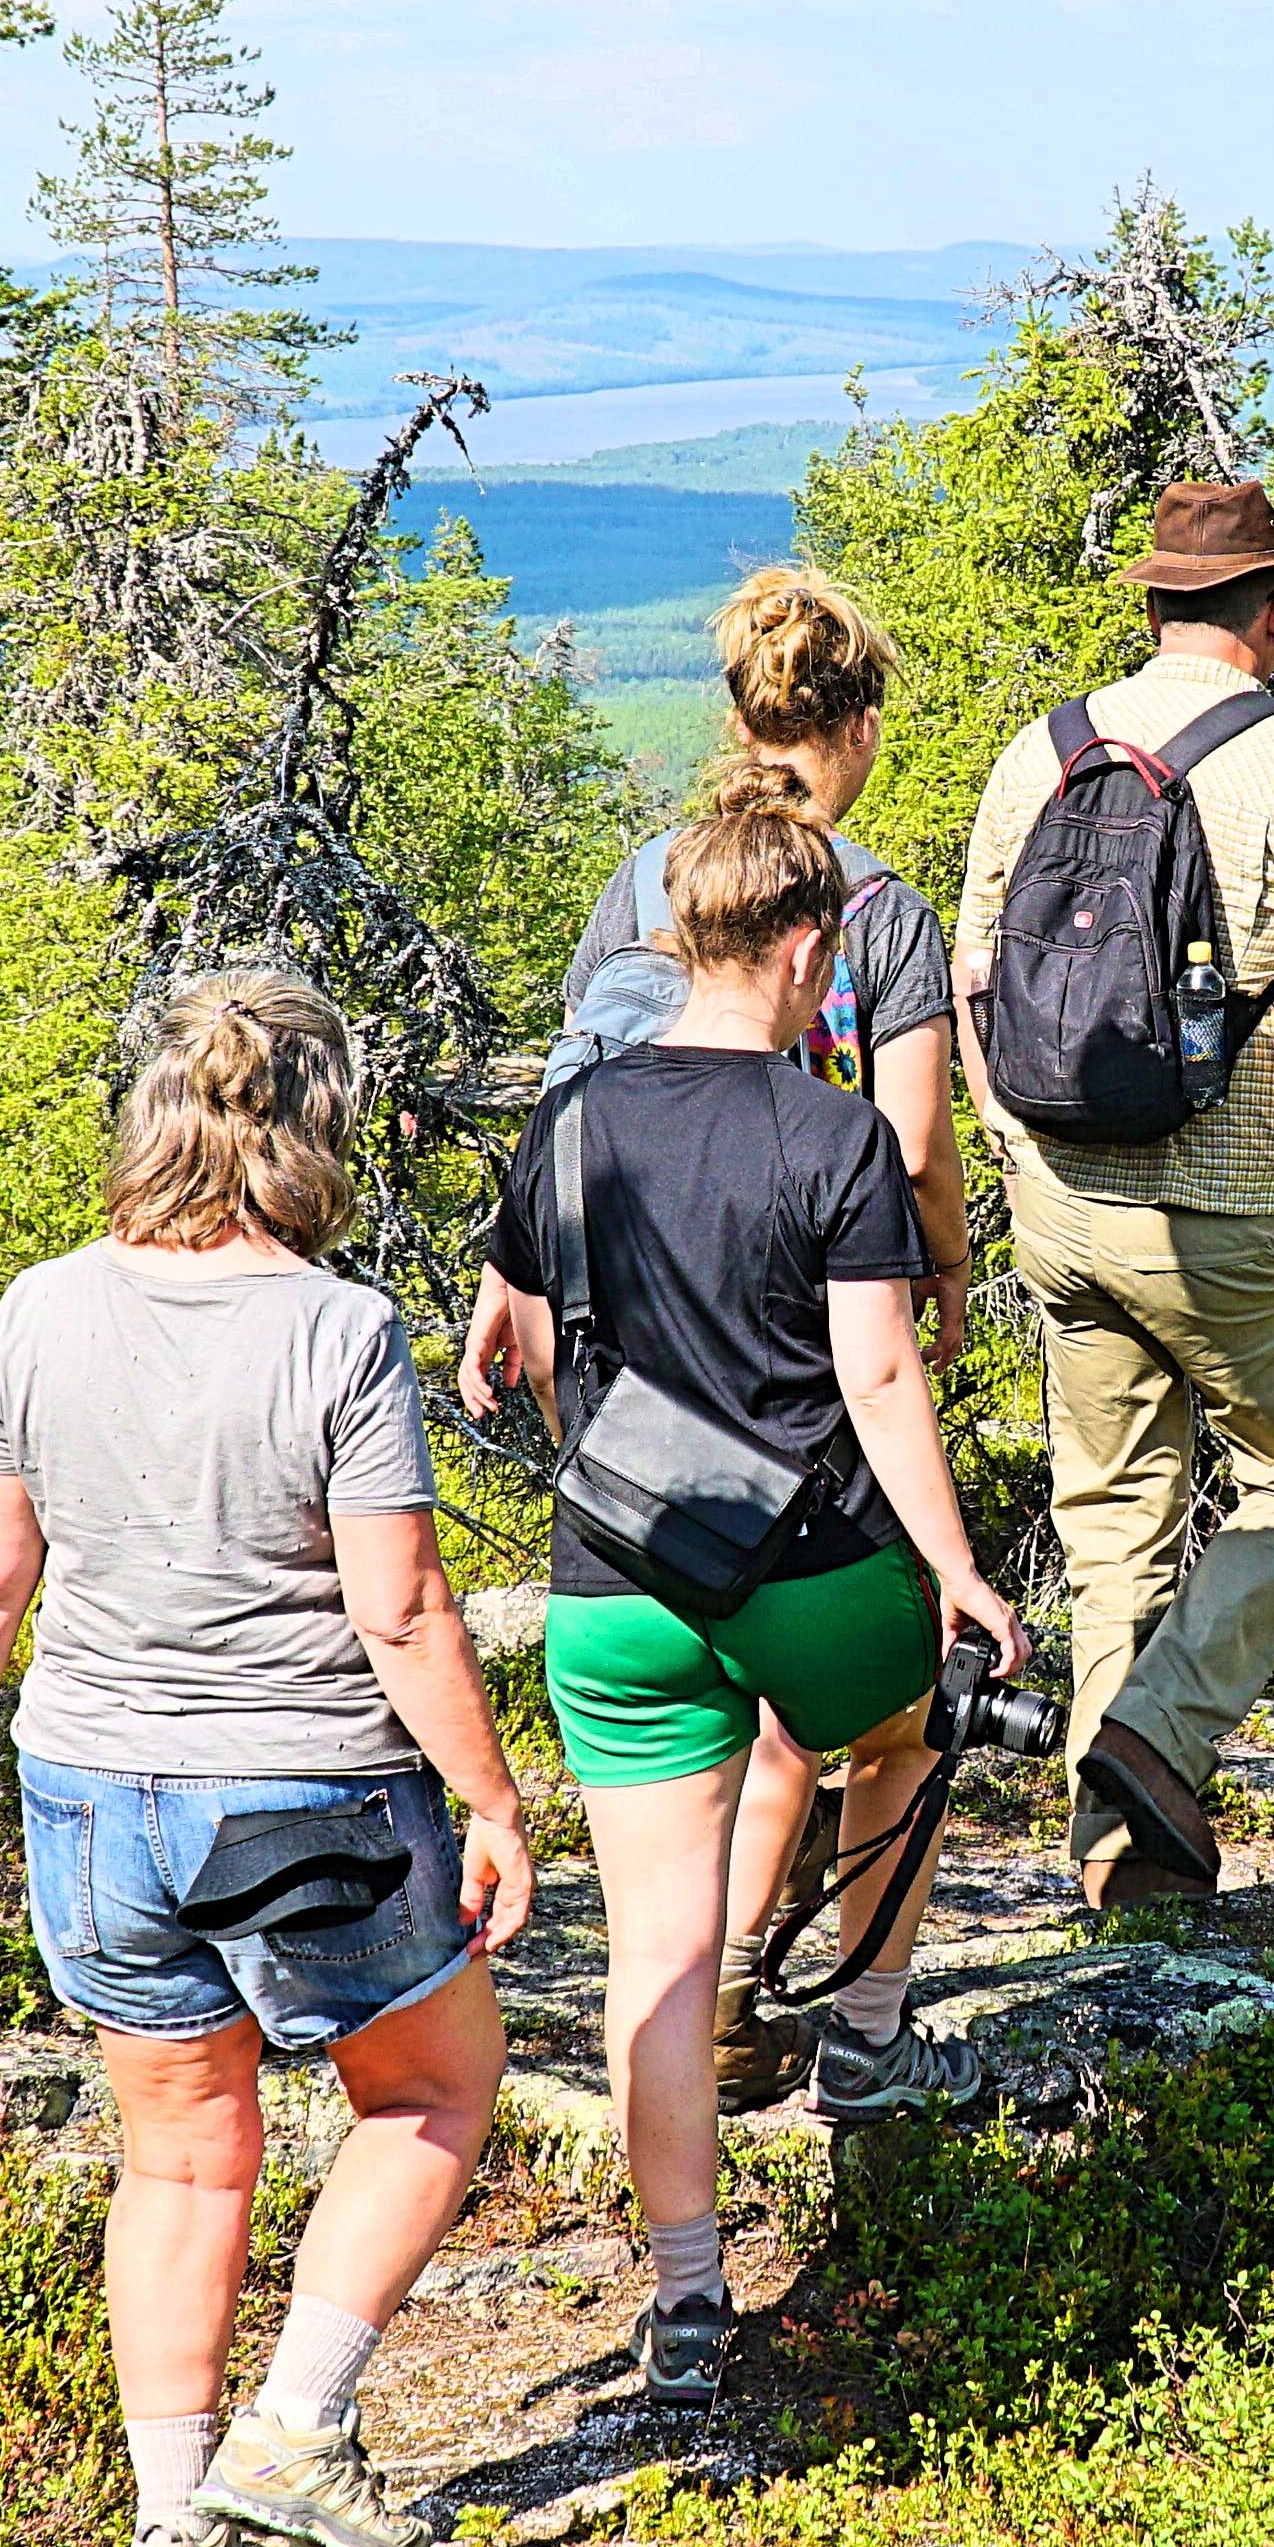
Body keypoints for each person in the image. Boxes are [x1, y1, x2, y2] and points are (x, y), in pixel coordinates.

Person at [0, 972, 538, 2547]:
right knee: (435, 2091)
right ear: (310, 1131)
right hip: (304, 1791)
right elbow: (398, 1609)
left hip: (95, 1792)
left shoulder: (39, 1311)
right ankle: (298, 2429)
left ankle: (171, 2540)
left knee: (180, 2162)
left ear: (153, 1120)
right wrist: (488, 1796)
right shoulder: (334, 1329)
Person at [465, 765, 1030, 2395]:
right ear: (801, 945)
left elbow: (506, 1324)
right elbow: (881, 1381)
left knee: (659, 1959)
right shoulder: (838, 1137)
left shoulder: (572, 1121)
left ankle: (694, 2303)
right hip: (811, 1575)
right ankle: (865, 2032)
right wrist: (959, 1574)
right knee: (912, 1727)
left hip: (620, 1582)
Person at [544, 566, 973, 2100]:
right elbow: (916, 1138)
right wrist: (948, 1277)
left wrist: (513, 1304)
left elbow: (572, 1091)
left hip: (643, 1351)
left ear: (735, 710)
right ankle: (844, 2014)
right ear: (854, 723)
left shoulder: (649, 878)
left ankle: (708, 1990)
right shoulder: (879, 905)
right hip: (819, 1307)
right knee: (867, 1682)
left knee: (698, 1666)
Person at [949, 477, 1274, 1906]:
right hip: (1226, 1204)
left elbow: (974, 976)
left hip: (1062, 1201)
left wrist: (1015, 1146)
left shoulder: (1045, 751)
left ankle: (1119, 1855)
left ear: (1154, 605)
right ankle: (1157, 1738)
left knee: (1111, 1518)